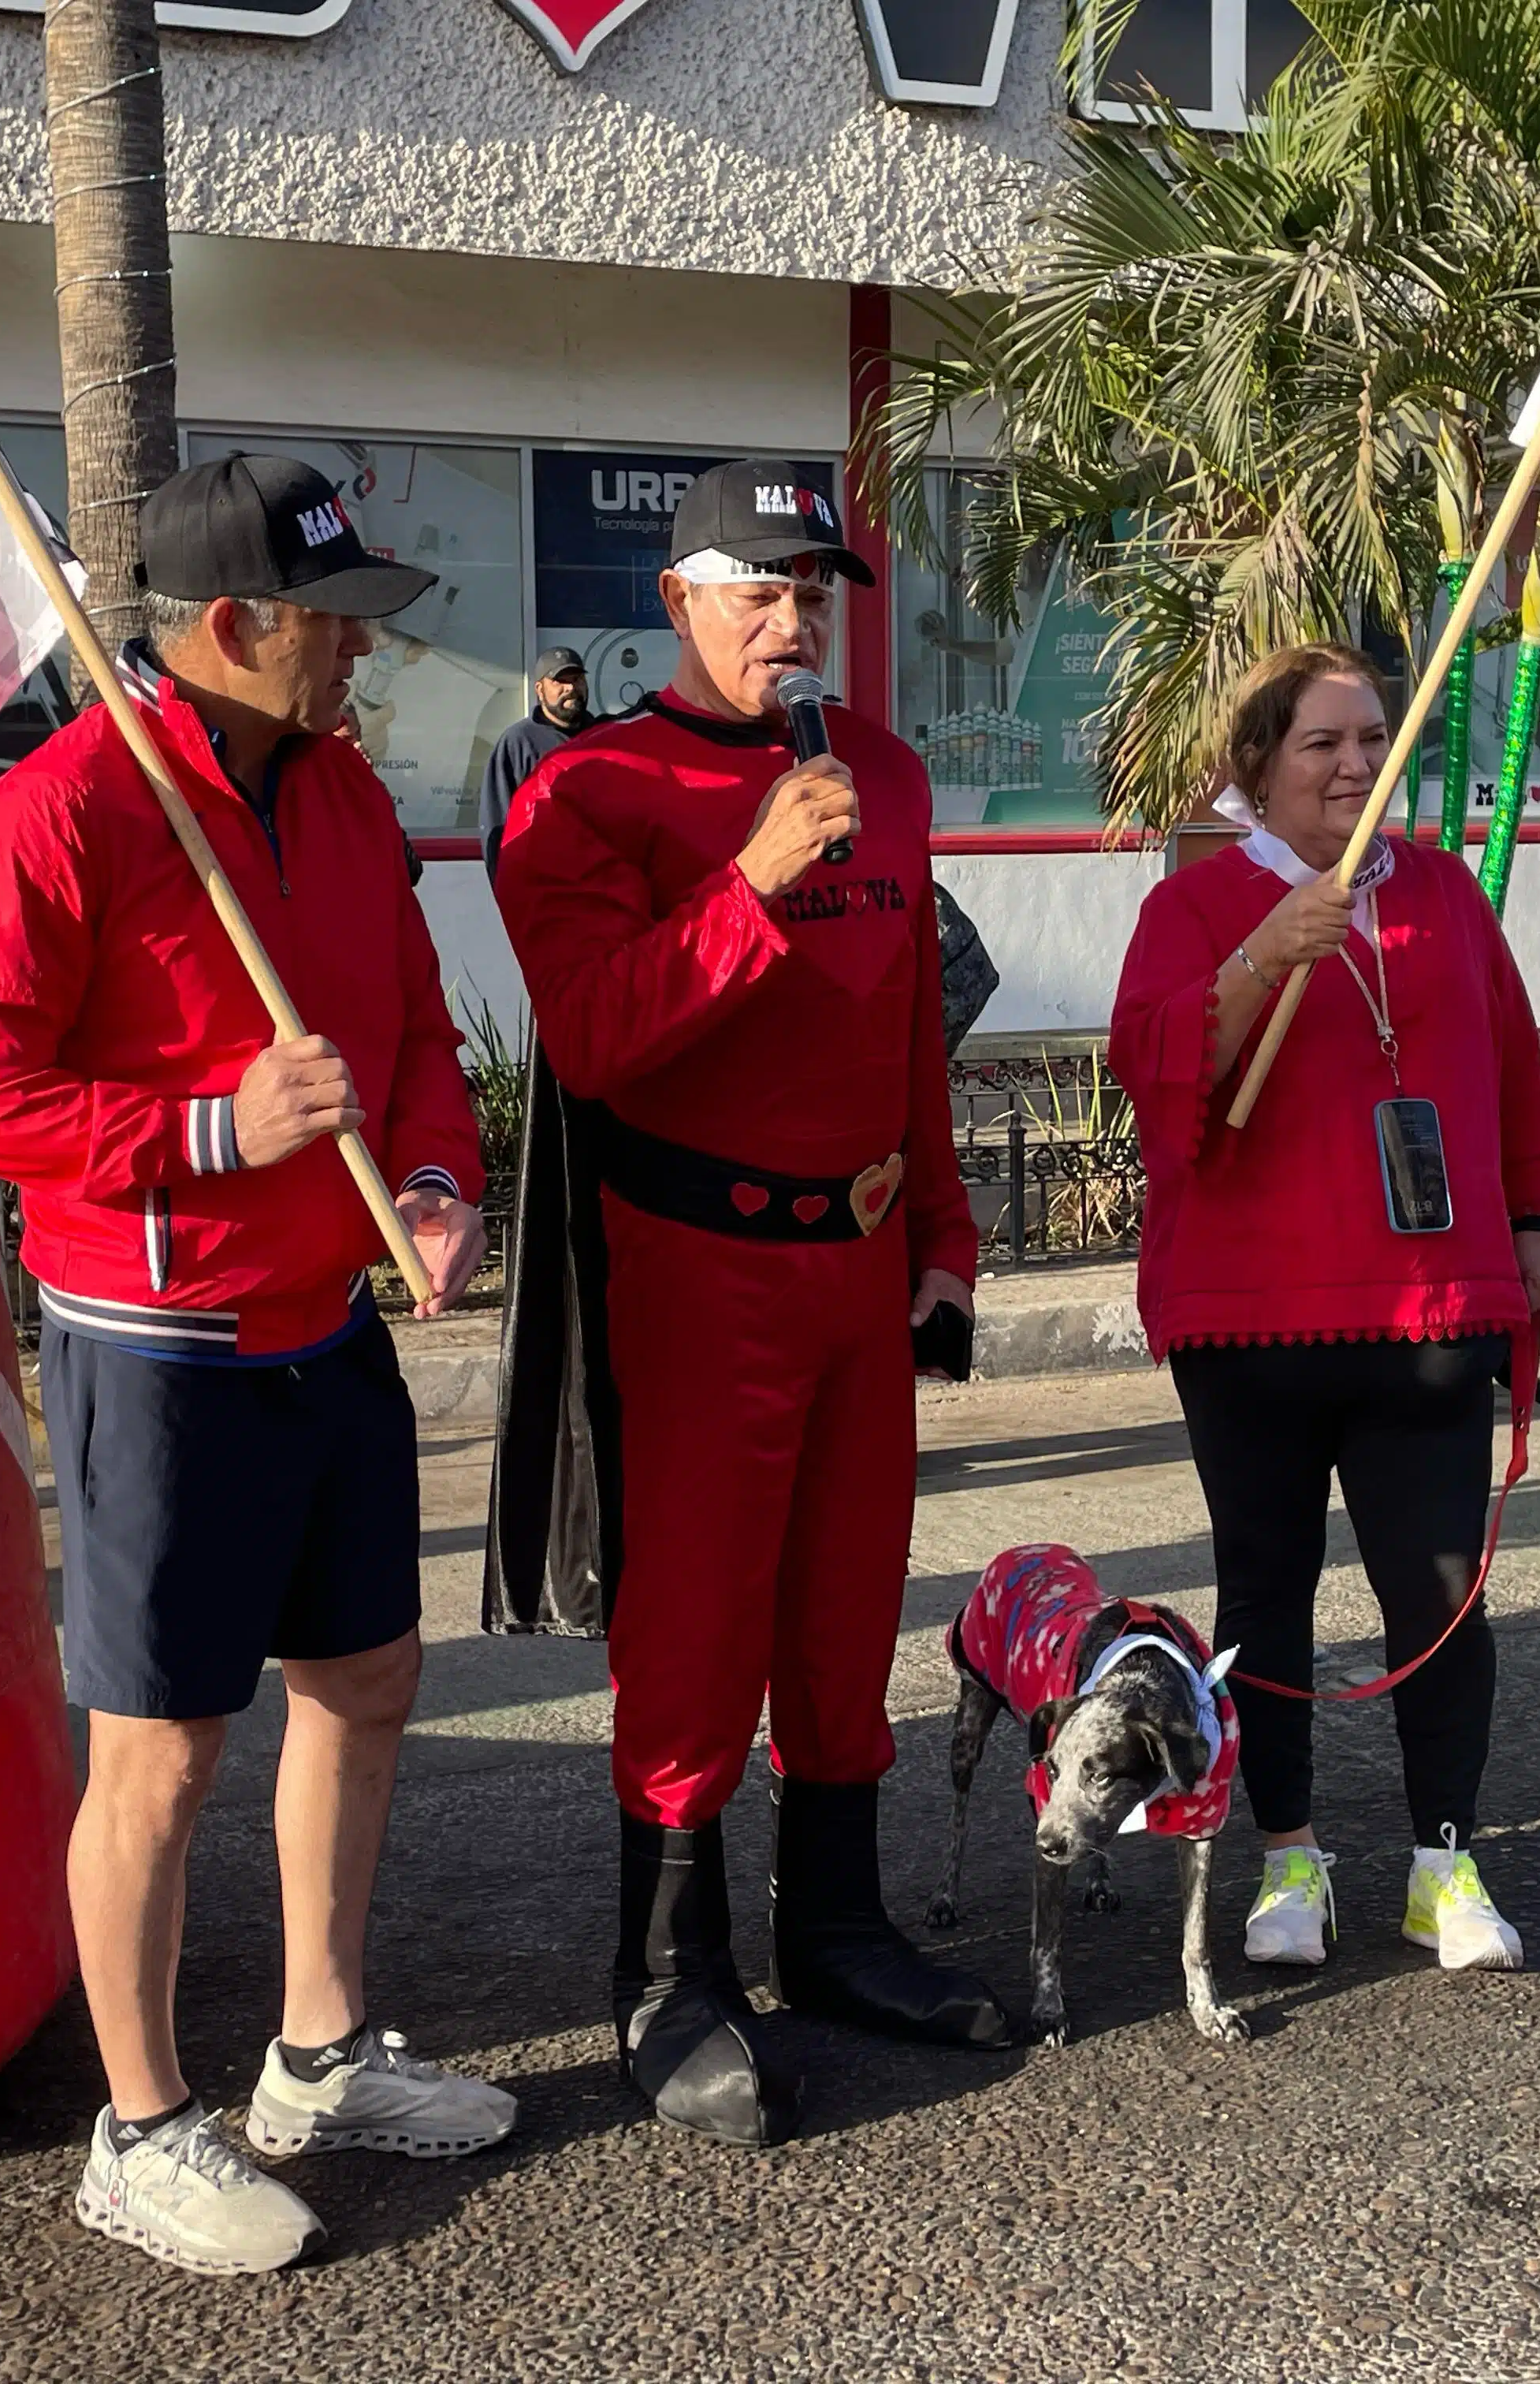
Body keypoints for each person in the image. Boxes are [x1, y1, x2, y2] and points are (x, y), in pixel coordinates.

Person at [0, 454, 515, 2275]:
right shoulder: (64, 808)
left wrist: (427, 1179)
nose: (366, 655)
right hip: (155, 1351)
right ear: (242, 626)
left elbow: (407, 1024)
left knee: (366, 1680)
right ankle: (141, 2124)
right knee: (162, 1753)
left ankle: (319, 2058)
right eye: (342, 622)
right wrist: (209, 1124)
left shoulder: (337, 793)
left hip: (329, 1331)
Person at [490, 460, 1007, 2150]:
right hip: (694, 1267)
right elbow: (586, 1040)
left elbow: (910, 1022)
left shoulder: (889, 773)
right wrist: (750, 882)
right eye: (757, 592)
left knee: (848, 1607)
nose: (793, 625)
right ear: (682, 604)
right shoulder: (587, 791)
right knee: (698, 1622)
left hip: (859, 1263)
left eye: (815, 592)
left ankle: (837, 1930)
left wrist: (942, 1229)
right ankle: (668, 1969)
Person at [1108, 644, 1540, 1975]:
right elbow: (1154, 1070)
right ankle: (1288, 1852)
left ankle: (1443, 1858)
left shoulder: (1438, 894)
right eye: (1321, 743)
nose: (1356, 764)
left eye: (1371, 737)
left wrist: (1535, 1219)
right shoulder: (1197, 906)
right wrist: (1264, 951)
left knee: (1435, 1596)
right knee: (1266, 1588)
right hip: (1246, 1312)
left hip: (1424, 1303)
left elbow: (1507, 1060)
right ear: (1255, 766)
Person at [478, 645, 590, 871]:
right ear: (539, 689)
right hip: (545, 888)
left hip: (602, 890)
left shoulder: (603, 736)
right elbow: (497, 824)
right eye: (559, 681)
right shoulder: (519, 742)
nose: (571, 687)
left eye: (577, 679)